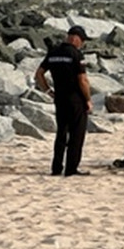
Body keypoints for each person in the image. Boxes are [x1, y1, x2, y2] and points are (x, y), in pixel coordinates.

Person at [34, 25, 93, 176]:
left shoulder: (53, 52)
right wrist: (88, 99)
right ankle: (71, 168)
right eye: (82, 40)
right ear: (76, 39)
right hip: (76, 99)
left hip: (60, 98)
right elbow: (82, 80)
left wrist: (48, 90)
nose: (82, 44)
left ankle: (56, 168)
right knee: (76, 135)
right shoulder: (76, 54)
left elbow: (39, 74)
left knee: (61, 134)